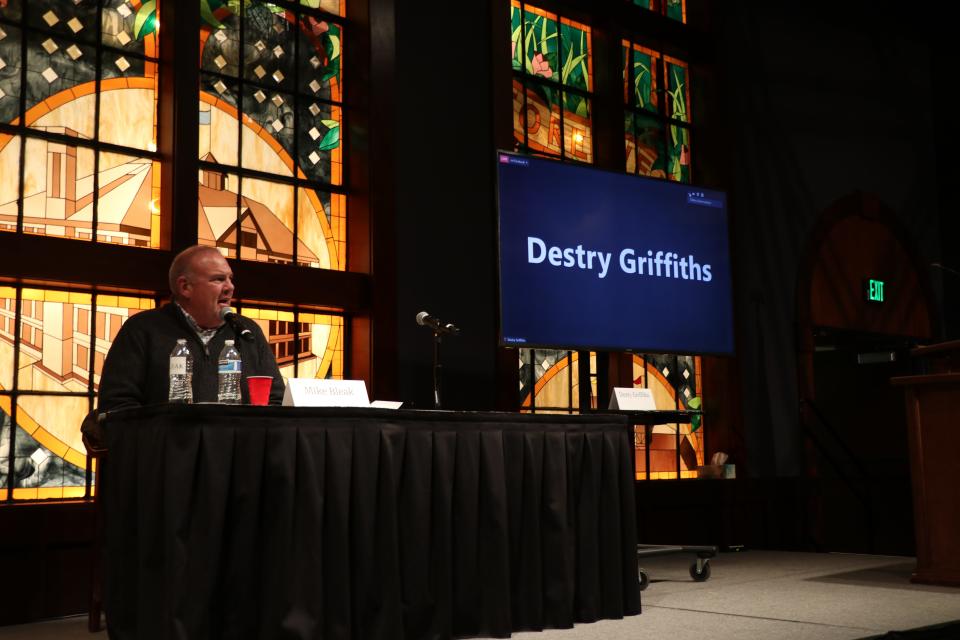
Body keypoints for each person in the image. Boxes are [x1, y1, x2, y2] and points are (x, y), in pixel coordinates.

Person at [97, 245, 285, 412]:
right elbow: (117, 405)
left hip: (239, 448)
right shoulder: (142, 329)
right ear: (185, 287)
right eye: (218, 279)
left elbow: (277, 400)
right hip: (165, 448)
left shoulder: (247, 332)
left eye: (230, 279)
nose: (230, 287)